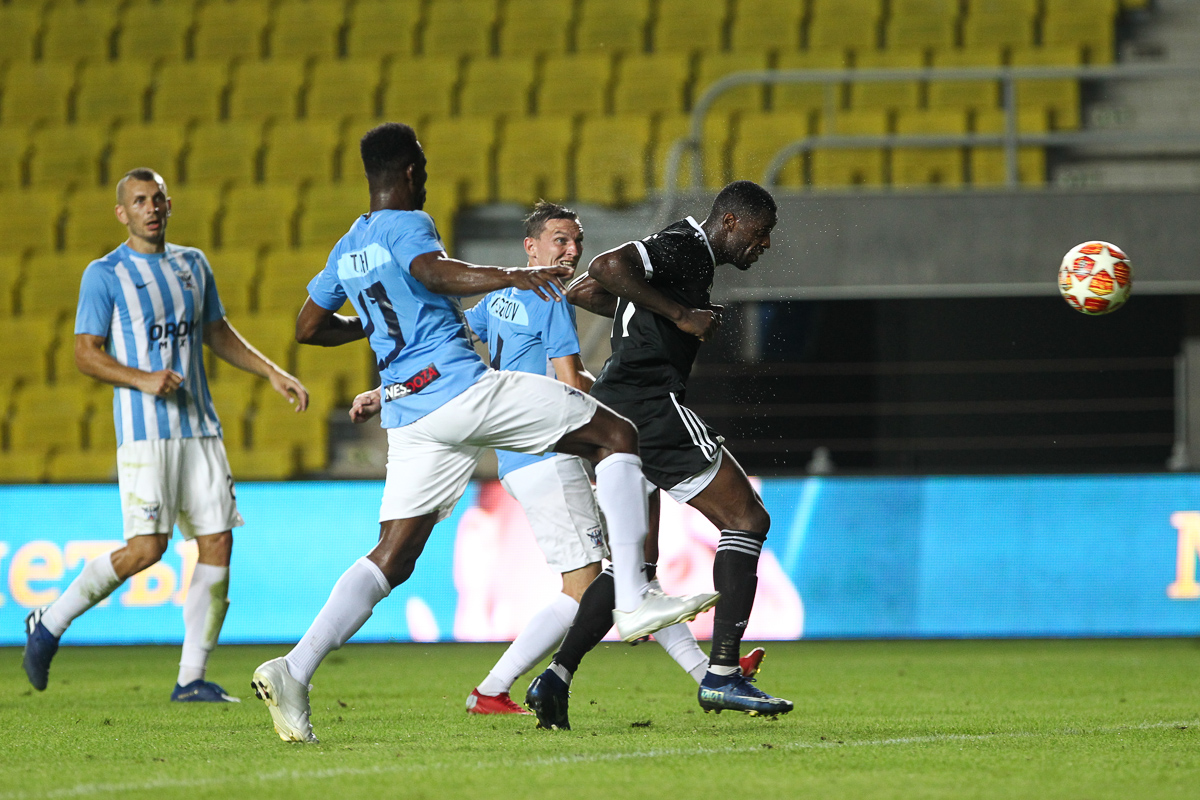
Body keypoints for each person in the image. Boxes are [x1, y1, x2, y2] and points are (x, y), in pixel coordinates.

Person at [249, 123, 718, 743]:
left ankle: (295, 669)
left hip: (409, 414)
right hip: (459, 391)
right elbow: (433, 271)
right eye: (423, 168)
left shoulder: (349, 245)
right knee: (618, 434)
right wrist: (509, 275)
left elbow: (308, 327)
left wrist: (372, 328)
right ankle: (632, 594)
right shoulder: (409, 224)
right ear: (411, 172)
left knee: (394, 554)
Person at [21, 168, 310, 702]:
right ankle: (50, 622)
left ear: (169, 205)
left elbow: (216, 332)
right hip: (145, 434)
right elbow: (85, 353)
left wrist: (270, 371)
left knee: (218, 541)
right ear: (122, 213)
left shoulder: (193, 264)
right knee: (148, 549)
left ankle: (191, 678)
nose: (150, 208)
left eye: (157, 199)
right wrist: (143, 379)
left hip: (200, 428)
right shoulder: (104, 274)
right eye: (139, 201)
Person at [526, 180, 792, 728]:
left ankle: (555, 677)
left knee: (633, 568)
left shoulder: (682, 256)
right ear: (731, 222)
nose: (764, 244)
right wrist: (681, 316)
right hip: (649, 405)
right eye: (761, 232)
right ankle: (722, 673)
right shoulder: (688, 245)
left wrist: (658, 311)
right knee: (747, 518)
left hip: (617, 411)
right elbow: (604, 267)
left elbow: (585, 293)